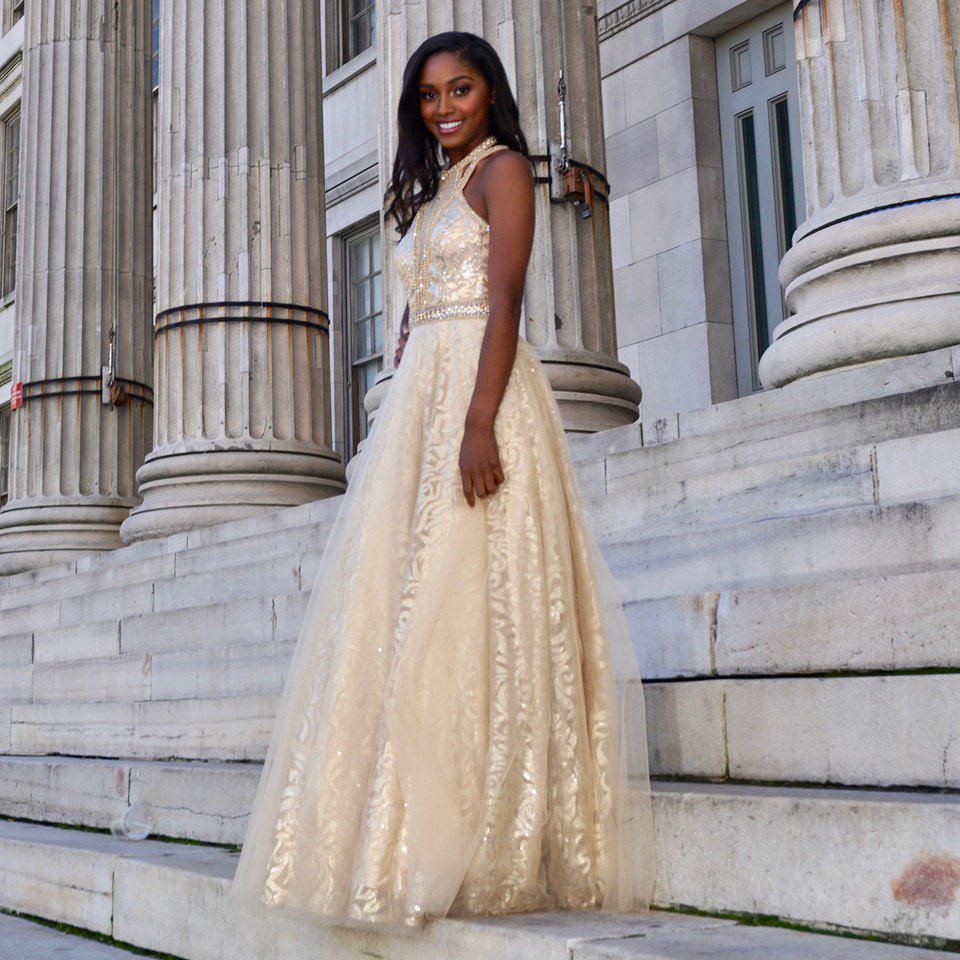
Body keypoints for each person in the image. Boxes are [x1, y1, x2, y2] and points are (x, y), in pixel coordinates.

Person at [226, 30, 655, 937]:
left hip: (483, 396)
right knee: (409, 609)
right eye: (428, 94)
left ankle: (491, 832)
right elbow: (417, 318)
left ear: (489, 93)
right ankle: (400, 827)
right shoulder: (427, 192)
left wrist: (474, 420)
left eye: (460, 89)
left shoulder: (504, 172)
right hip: (420, 405)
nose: (444, 106)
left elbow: (503, 301)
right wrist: (408, 417)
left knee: (483, 605)